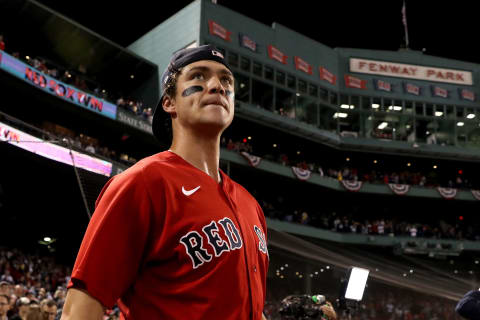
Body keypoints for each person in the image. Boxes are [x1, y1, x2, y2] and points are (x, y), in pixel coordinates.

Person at [60, 44, 269, 320]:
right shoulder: (142, 183)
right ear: (169, 102)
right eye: (199, 76)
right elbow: (79, 312)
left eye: (226, 80)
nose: (217, 86)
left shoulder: (250, 205)